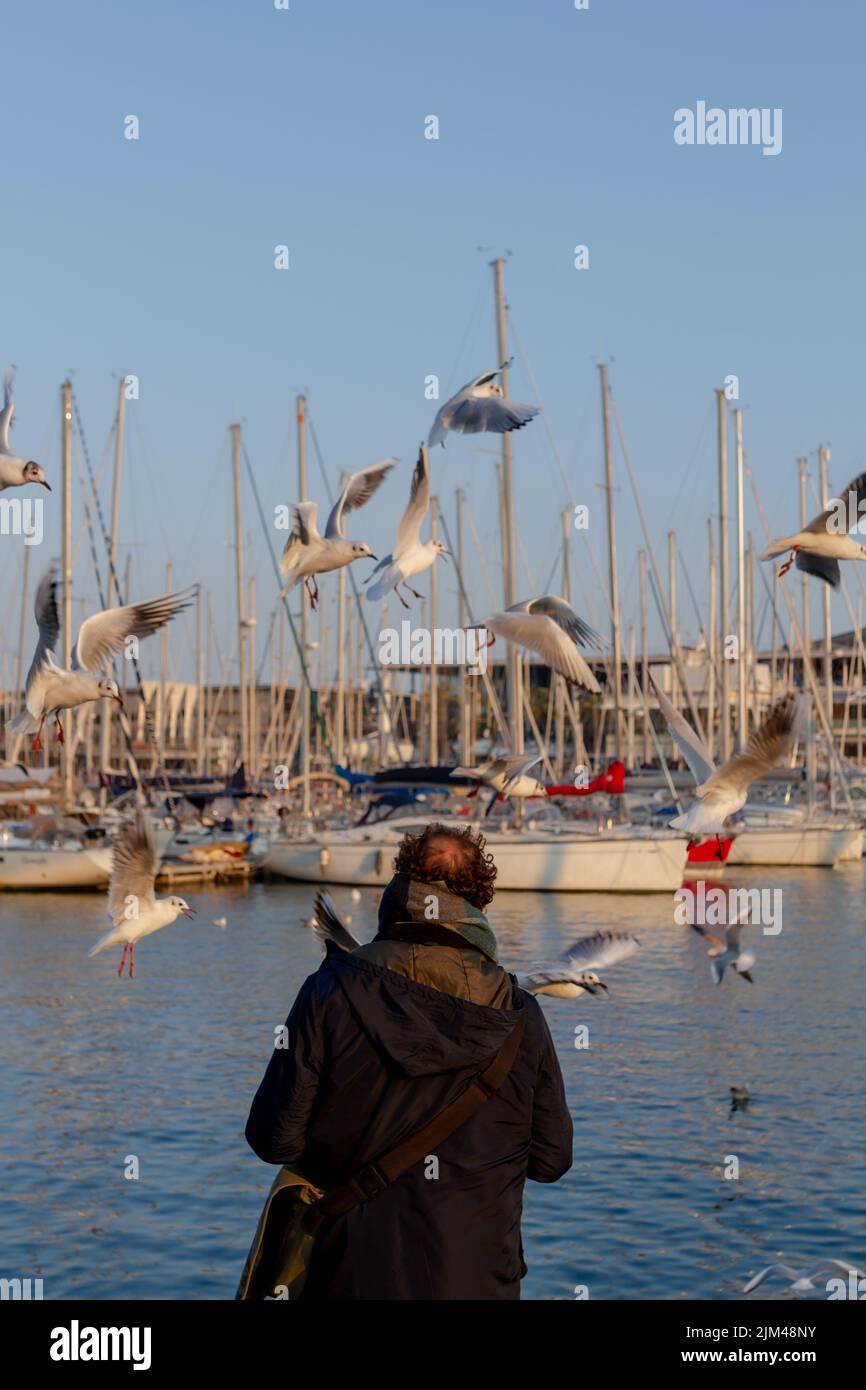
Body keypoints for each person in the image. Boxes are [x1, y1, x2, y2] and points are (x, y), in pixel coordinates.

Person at [245, 822, 573, 1300]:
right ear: (479, 905)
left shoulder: (328, 992)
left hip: (350, 1275)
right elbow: (551, 1160)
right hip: (478, 1281)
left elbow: (273, 1139)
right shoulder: (523, 1016)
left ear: (399, 889)